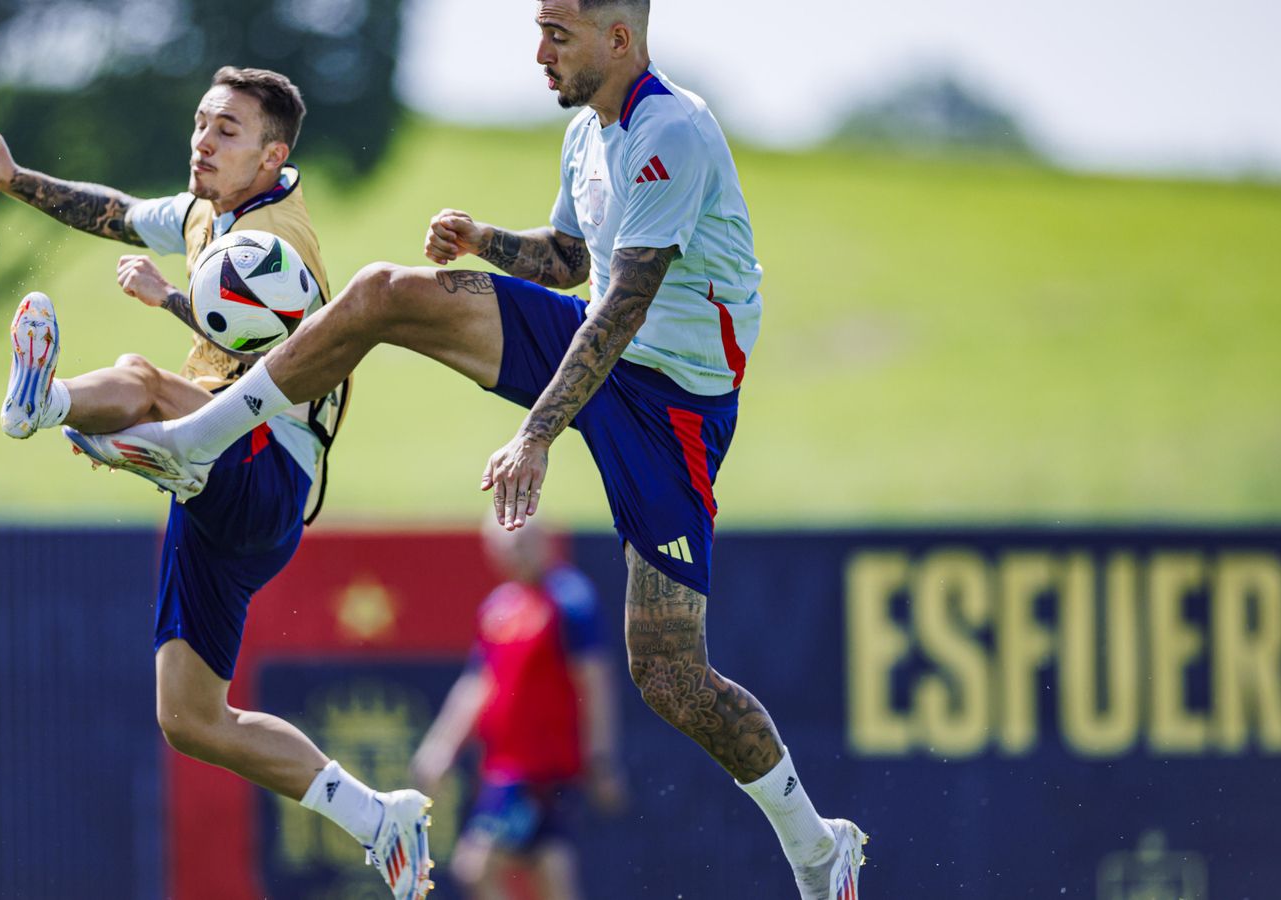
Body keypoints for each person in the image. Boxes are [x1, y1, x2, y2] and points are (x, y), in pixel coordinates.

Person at [70, 5, 866, 896]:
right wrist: (484, 242)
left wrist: (534, 434)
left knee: (670, 674)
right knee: (381, 294)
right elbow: (572, 259)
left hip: (669, 404)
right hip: (591, 338)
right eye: (539, 28)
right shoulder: (585, 134)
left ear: (619, 36)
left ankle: (814, 840)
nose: (538, 50)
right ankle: (195, 437)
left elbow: (622, 307)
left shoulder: (671, 130)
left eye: (557, 33)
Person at [0, 66, 433, 900]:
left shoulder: (280, 247)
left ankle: (55, 404)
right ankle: (376, 815)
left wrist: (173, 301)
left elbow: (289, 372)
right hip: (224, 495)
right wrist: (15, 179)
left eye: (226, 131)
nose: (202, 142)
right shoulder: (209, 212)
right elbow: (112, 211)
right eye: (201, 123)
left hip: (269, 467)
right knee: (189, 720)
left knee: (138, 379)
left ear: (272, 154)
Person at [410, 519, 625, 900]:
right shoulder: (499, 607)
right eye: (504, 546)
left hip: (542, 770)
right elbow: (477, 685)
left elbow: (594, 683)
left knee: (476, 865)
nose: (513, 554)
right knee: (548, 868)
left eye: (521, 544)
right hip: (503, 767)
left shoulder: (570, 601)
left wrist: (601, 758)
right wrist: (441, 746)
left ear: (543, 542)